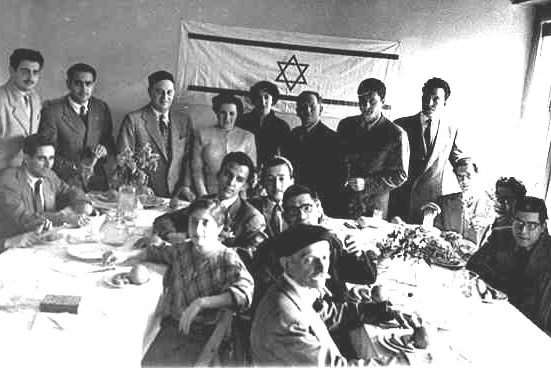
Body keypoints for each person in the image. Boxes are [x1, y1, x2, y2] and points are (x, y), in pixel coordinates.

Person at [253, 185, 381, 359]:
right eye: (293, 211)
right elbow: (305, 311)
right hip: (310, 334)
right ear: (285, 216)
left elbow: (366, 276)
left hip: (334, 319)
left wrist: (358, 253)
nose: (302, 215)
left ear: (318, 208)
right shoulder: (270, 251)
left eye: (307, 208)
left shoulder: (327, 241)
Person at [251, 224, 395, 366]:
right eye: (310, 260)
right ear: (286, 264)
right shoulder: (285, 319)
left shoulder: (291, 289)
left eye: (325, 257)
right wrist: (407, 361)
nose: (322, 268)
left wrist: (381, 311)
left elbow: (325, 314)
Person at [141, 198, 254, 365]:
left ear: (220, 229)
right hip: (175, 328)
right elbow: (158, 252)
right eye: (193, 222)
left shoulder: (226, 258)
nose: (198, 229)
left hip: (204, 335)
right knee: (144, 359)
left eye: (206, 223)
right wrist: (126, 256)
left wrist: (202, 302)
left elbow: (245, 292)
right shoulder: (183, 250)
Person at [152, 152, 266, 258]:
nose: (231, 183)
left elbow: (253, 255)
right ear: (218, 174)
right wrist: (171, 235)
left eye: (239, 180)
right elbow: (164, 220)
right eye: (227, 174)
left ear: (245, 186)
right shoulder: (204, 202)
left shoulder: (252, 217)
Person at [467, 196, 551, 334]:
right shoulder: (500, 236)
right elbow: (472, 269)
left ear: (542, 227)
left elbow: (543, 315)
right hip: (488, 312)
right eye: (519, 222)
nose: (523, 231)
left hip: (528, 328)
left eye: (531, 225)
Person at [389, 77, 468, 224]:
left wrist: (468, 168)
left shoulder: (451, 130)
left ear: (445, 102)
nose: (429, 103)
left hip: (430, 205)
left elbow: (458, 160)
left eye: (435, 99)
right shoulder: (400, 125)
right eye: (426, 97)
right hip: (400, 200)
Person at [337, 78, 409, 219]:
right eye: (362, 101)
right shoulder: (346, 126)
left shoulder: (396, 134)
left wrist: (367, 184)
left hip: (374, 206)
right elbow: (337, 160)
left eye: (372, 101)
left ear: (383, 101)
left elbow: (400, 174)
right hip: (344, 201)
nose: (366, 105)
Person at [117, 70, 195, 200]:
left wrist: (185, 186)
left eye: (169, 92)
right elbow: (123, 161)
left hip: (176, 195)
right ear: (150, 92)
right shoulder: (133, 120)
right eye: (159, 92)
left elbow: (189, 158)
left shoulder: (184, 120)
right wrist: (140, 187)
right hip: (143, 195)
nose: (165, 97)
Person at [0, 134, 89, 244]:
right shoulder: (8, 181)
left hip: (44, 241)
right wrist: (63, 217)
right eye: (42, 159)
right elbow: (24, 218)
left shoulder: (49, 175)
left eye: (51, 158)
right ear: (27, 159)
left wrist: (82, 204)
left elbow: (71, 191)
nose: (48, 165)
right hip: (16, 246)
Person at [38, 63, 114, 191]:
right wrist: (76, 167)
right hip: (65, 182)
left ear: (94, 85)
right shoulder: (53, 111)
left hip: (97, 182)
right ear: (68, 84)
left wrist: (105, 150)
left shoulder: (101, 107)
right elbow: (46, 152)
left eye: (88, 84)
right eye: (78, 83)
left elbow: (109, 141)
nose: (84, 89)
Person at [284, 91, 341, 216]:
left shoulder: (333, 139)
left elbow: (336, 179)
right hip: (293, 200)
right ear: (297, 111)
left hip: (320, 202)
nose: (308, 111)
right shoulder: (292, 135)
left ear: (320, 109)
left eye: (312, 107)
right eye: (303, 107)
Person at [192, 93, 257, 197]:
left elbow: (251, 173)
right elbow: (197, 170)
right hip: (209, 193)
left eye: (232, 114)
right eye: (223, 113)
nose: (227, 118)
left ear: (237, 115)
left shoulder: (248, 137)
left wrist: (240, 199)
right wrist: (204, 197)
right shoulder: (202, 134)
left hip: (237, 195)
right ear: (216, 112)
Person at [422, 158, 494, 245]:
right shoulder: (444, 203)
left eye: (468, 175)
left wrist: (487, 223)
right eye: (460, 176)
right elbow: (435, 234)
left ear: (476, 174)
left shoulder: (490, 205)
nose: (464, 181)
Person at [0, 49, 44, 169]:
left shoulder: (35, 98)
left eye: (35, 72)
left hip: (27, 173)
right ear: (12, 70)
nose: (31, 77)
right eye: (25, 71)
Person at [237, 81, 291, 168]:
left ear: (273, 100)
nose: (263, 102)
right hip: (244, 168)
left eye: (266, 97)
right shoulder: (242, 121)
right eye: (258, 98)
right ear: (254, 100)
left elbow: (285, 156)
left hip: (271, 171)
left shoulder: (282, 126)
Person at [249, 156, 294, 237]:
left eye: (281, 179)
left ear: (291, 182)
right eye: (270, 180)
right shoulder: (251, 207)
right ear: (263, 183)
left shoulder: (301, 207)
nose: (276, 186)